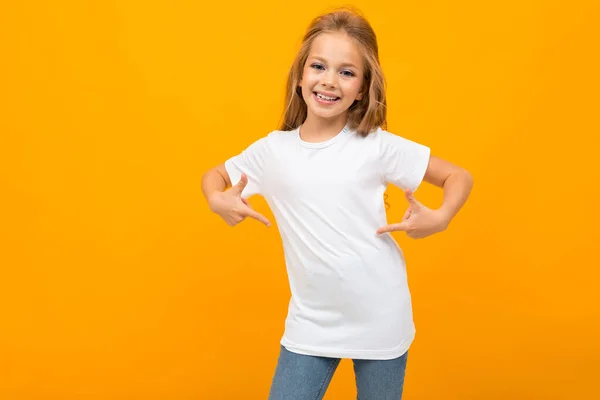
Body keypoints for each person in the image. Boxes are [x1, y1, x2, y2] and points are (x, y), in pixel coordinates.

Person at [201, 7, 473, 400]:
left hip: (381, 316)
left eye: (346, 72)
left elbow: (458, 176)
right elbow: (215, 176)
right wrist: (216, 199)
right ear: (299, 75)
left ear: (363, 87)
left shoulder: (375, 145)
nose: (329, 81)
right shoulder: (272, 151)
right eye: (318, 66)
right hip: (311, 323)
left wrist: (443, 216)